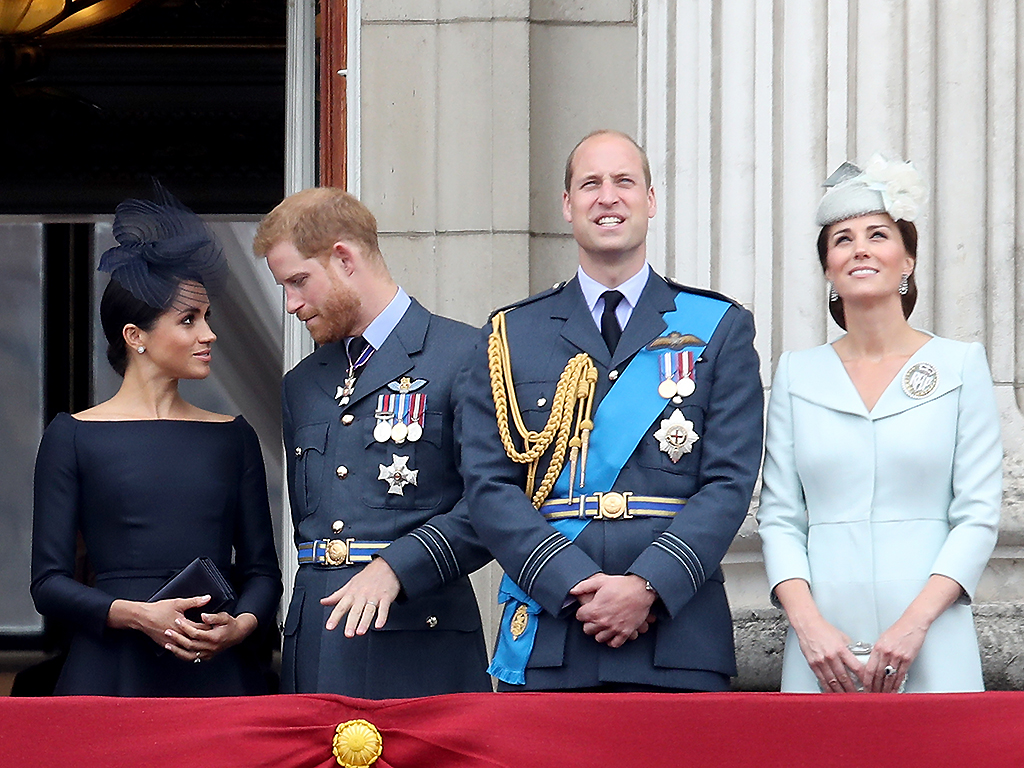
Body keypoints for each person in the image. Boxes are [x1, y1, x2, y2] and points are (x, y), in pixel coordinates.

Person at [460, 130, 764, 691]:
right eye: (590, 184)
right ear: (567, 204)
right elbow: (487, 485)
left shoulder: (717, 327)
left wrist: (649, 584)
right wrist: (574, 583)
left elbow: (729, 482)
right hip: (556, 631)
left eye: (624, 181)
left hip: (678, 634)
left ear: (650, 201)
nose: (607, 197)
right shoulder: (509, 334)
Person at [757, 155, 1002, 693]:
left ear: (907, 259)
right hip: (823, 642)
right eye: (842, 239)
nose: (860, 248)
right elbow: (779, 518)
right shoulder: (797, 374)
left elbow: (978, 514)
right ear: (827, 269)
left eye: (877, 234)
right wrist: (809, 628)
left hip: (930, 632)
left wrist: (914, 627)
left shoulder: (959, 366)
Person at [31, 186, 282, 696]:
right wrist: (135, 615)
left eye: (207, 317)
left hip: (216, 672)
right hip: (110, 674)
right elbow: (47, 585)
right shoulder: (72, 436)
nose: (208, 334)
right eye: (189, 320)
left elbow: (263, 573)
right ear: (135, 336)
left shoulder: (233, 438)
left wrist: (241, 626)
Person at [253, 187, 491, 698]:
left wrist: (397, 566)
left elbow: (495, 505)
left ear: (344, 258)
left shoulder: (466, 353)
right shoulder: (302, 383)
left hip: (420, 638)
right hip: (317, 641)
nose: (292, 304)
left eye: (298, 282)